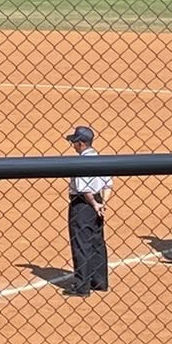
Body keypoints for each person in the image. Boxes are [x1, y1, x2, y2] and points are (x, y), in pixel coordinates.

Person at [62, 124, 110, 296]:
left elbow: (84, 189)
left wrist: (94, 204)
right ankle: (100, 281)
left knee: (81, 243)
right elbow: (108, 184)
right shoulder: (100, 159)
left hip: (82, 205)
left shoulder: (81, 162)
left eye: (74, 142)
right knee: (97, 241)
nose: (73, 146)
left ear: (81, 143)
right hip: (98, 201)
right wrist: (102, 203)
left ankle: (82, 286)